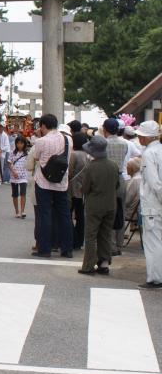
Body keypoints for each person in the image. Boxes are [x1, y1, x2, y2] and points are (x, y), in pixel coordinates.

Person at [28, 114, 73, 259]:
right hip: (61, 182)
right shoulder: (68, 140)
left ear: (42, 126)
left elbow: (35, 157)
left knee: (44, 215)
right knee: (65, 216)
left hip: (44, 182)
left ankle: (45, 249)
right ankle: (67, 249)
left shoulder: (41, 141)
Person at [78, 136, 121, 276]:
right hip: (111, 204)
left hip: (95, 205)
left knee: (91, 235)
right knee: (105, 234)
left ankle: (88, 266)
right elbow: (117, 185)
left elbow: (85, 189)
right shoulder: (114, 165)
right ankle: (104, 263)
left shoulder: (91, 167)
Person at [136, 121, 162, 289]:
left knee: (153, 242)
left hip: (153, 204)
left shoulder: (149, 153)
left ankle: (155, 278)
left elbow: (154, 182)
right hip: (157, 203)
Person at [102, 118, 129, 256]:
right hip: (121, 178)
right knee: (121, 212)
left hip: (108, 179)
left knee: (109, 212)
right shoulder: (124, 143)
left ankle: (110, 245)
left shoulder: (104, 143)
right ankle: (119, 244)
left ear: (105, 129)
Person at [69, 132, 90, 250]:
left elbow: (70, 171)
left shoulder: (74, 155)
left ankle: (72, 238)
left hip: (72, 188)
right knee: (81, 215)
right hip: (83, 189)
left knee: (68, 213)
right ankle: (80, 240)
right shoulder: (88, 155)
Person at [8, 135, 31, 219]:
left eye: (21, 143)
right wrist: (13, 172)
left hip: (23, 176)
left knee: (23, 194)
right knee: (14, 194)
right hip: (14, 176)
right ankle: (17, 211)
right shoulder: (12, 153)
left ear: (24, 144)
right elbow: (9, 163)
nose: (19, 145)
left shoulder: (27, 154)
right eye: (18, 143)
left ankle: (22, 211)